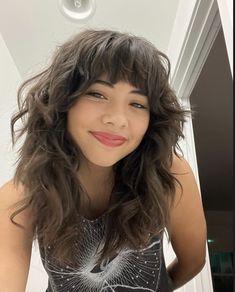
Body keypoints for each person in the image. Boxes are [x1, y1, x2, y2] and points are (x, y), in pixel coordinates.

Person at [0, 29, 207, 292]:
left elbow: (193, 260)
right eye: (97, 94)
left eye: (138, 104)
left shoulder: (167, 170)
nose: (117, 118)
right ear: (63, 100)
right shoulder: (21, 195)